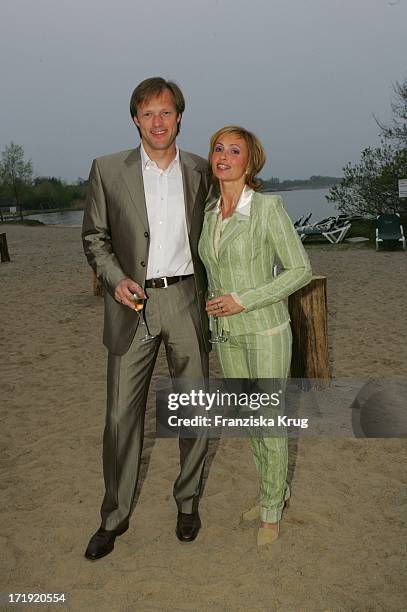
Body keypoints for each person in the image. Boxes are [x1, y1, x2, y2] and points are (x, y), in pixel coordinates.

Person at [82, 77, 211, 560]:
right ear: (135, 118)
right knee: (120, 419)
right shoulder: (107, 169)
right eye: (148, 113)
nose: (158, 122)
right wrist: (114, 279)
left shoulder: (200, 170)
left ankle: (187, 502)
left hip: (184, 299)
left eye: (167, 112)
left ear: (180, 117)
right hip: (130, 304)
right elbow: (95, 237)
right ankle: (113, 518)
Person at [198, 126, 312, 546]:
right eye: (218, 148)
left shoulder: (267, 208)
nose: (224, 156)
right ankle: (274, 493)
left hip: (265, 332)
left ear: (251, 162)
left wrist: (243, 299)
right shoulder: (209, 214)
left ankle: (270, 513)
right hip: (227, 337)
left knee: (269, 421)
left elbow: (299, 270)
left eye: (235, 150)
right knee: (249, 422)